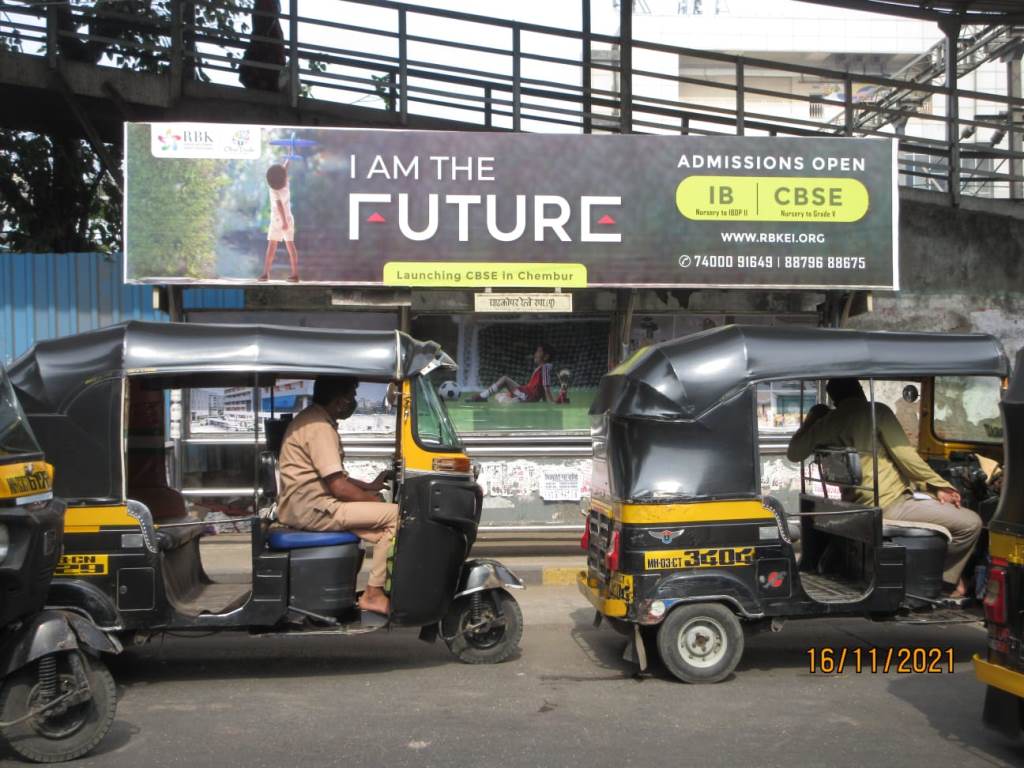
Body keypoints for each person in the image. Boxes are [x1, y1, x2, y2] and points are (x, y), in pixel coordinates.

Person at [787, 377, 982, 597]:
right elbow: (905, 456)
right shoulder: (875, 412)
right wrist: (939, 484)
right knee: (971, 523)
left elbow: (794, 453)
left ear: (834, 397)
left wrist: (813, 418)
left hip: (856, 503)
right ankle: (946, 584)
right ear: (860, 390)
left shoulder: (827, 422)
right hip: (889, 503)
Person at [276, 376, 396, 614]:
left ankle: (371, 588)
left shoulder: (314, 420)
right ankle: (373, 593)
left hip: (307, 507)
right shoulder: (320, 428)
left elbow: (332, 476)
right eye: (351, 396)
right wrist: (371, 499)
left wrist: (368, 487)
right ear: (339, 401)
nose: (353, 402)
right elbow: (338, 487)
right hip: (315, 509)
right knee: (397, 516)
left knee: (384, 531)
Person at [467, 344, 555, 403]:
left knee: (505, 380)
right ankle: (513, 401)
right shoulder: (542, 368)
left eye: (539, 351)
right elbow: (542, 389)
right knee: (499, 395)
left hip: (528, 396)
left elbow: (546, 388)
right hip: (527, 394)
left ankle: (482, 397)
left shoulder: (545, 368)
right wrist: (544, 401)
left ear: (546, 356)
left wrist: (551, 403)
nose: (535, 354)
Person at [258, 160, 300, 282]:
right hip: (288, 217)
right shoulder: (286, 184)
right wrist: (289, 160)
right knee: (290, 246)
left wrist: (283, 222)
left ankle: (265, 273)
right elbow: (284, 171)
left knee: (272, 247)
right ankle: (295, 273)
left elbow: (279, 205)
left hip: (278, 219)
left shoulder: (273, 190)